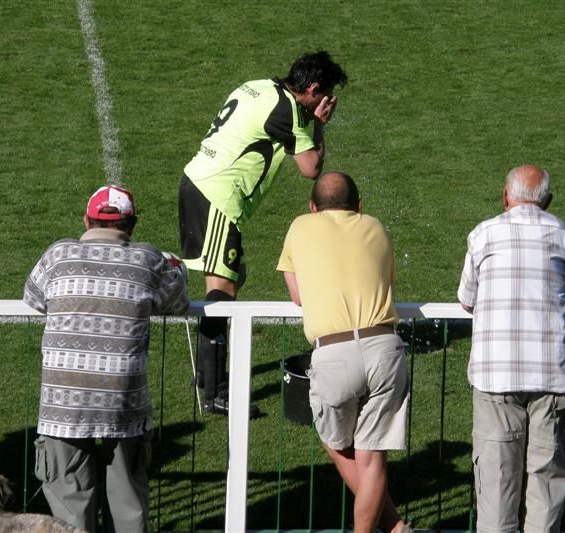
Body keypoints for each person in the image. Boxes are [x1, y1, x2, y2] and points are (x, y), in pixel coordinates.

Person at [178, 50, 348, 415]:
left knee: (234, 276)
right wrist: (320, 125)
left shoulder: (259, 87)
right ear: (313, 89)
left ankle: (207, 374)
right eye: (325, 95)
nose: (326, 103)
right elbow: (311, 168)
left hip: (198, 184)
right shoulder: (287, 110)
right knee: (222, 292)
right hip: (218, 197)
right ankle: (218, 392)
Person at [24, 184, 190, 532]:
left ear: (86, 221)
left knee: (69, 510)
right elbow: (177, 301)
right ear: (132, 225)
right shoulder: (149, 259)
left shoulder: (58, 255)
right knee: (128, 499)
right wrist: (176, 267)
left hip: (63, 401)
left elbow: (35, 297)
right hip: (123, 401)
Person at [277, 172, 412, 533]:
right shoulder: (376, 227)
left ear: (312, 207)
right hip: (385, 348)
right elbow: (387, 282)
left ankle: (395, 526)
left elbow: (298, 296)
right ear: (359, 205)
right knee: (373, 458)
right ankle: (395, 528)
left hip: (333, 351)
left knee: (334, 441)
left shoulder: (300, 226)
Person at [457, 165, 565, 533]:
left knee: (496, 482)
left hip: (496, 375)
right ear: (548, 201)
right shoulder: (561, 233)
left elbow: (467, 298)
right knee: (547, 483)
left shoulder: (484, 233)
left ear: (505, 196)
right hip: (552, 374)